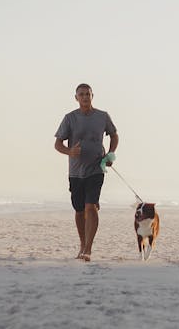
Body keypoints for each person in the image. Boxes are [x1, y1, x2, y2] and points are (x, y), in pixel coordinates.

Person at [54, 83, 119, 261]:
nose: (85, 97)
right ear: (76, 98)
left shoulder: (102, 116)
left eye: (87, 94)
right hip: (75, 172)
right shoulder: (69, 118)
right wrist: (69, 151)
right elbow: (57, 144)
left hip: (96, 168)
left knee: (91, 206)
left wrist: (111, 153)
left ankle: (88, 249)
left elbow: (114, 135)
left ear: (92, 95)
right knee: (79, 210)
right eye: (81, 94)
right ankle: (82, 244)